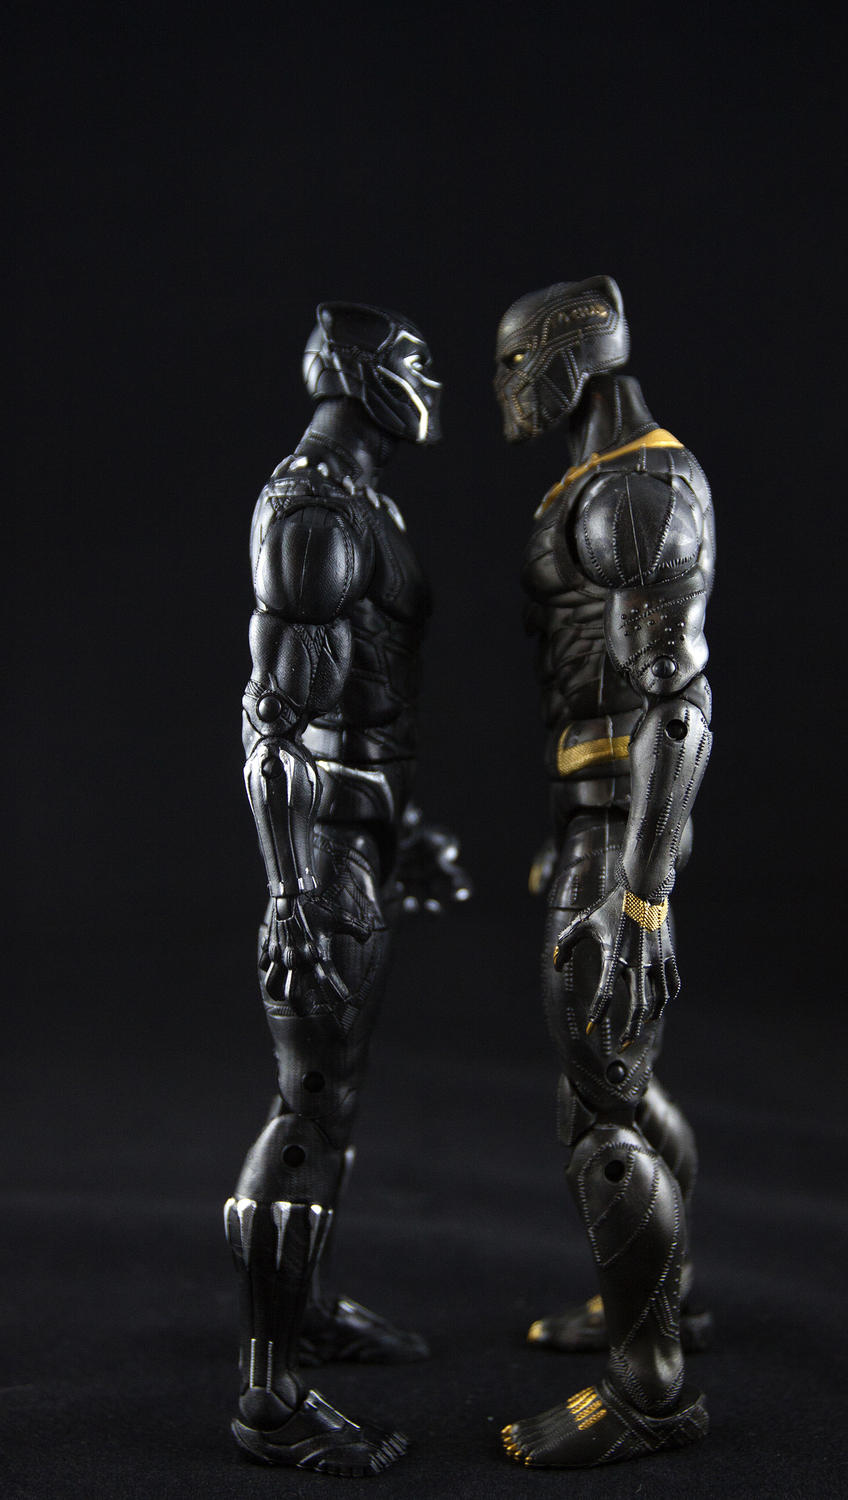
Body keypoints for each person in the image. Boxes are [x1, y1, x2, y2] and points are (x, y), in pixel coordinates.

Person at [226, 303, 467, 1476]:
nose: (433, 384)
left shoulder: (364, 499)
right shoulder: (314, 508)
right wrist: (289, 892)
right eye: (416, 365)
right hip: (319, 855)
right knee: (308, 1102)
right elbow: (275, 725)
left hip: (354, 836)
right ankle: (269, 1397)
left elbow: (362, 702)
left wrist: (397, 823)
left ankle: (308, 1312)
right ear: (366, 374)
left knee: (337, 1095)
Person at [493, 276, 715, 1468]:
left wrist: (639, 890)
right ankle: (662, 1295)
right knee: (615, 1076)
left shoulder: (635, 488)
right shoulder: (594, 481)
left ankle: (649, 1387)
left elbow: (674, 707)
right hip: (594, 813)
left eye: (515, 362)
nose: (506, 389)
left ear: (573, 352)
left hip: (623, 826)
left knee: (600, 1100)